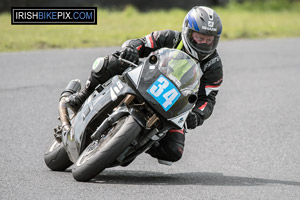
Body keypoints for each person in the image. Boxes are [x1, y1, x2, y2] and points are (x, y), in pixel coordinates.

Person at [66, 6, 223, 164]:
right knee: (113, 62)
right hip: (146, 79)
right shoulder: (170, 37)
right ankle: (84, 94)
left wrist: (197, 115)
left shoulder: (214, 66)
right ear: (187, 32)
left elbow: (207, 100)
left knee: (174, 151)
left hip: (172, 105)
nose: (204, 44)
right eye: (200, 38)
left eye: (209, 40)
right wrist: (130, 49)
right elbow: (139, 42)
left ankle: (136, 141)